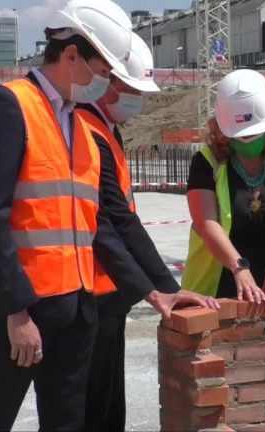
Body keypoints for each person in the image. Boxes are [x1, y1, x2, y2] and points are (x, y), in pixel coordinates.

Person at [0, 1, 136, 430]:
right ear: (71, 55)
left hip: (73, 309)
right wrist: (16, 314)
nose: (107, 80)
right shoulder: (8, 106)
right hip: (17, 311)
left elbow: (94, 223)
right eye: (103, 68)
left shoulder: (76, 122)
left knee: (66, 424)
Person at [77, 33, 218, 431]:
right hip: (92, 289)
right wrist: (157, 288)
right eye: (132, 89)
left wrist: (161, 285)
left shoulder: (105, 129)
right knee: (92, 409)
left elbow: (124, 218)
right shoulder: (87, 131)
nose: (136, 99)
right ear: (107, 82)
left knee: (107, 407)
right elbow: (109, 222)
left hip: (110, 290)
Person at [183, 69, 265, 303]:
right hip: (216, 291)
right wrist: (239, 268)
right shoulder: (206, 162)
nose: (246, 141)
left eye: (253, 133)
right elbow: (206, 223)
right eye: (239, 136)